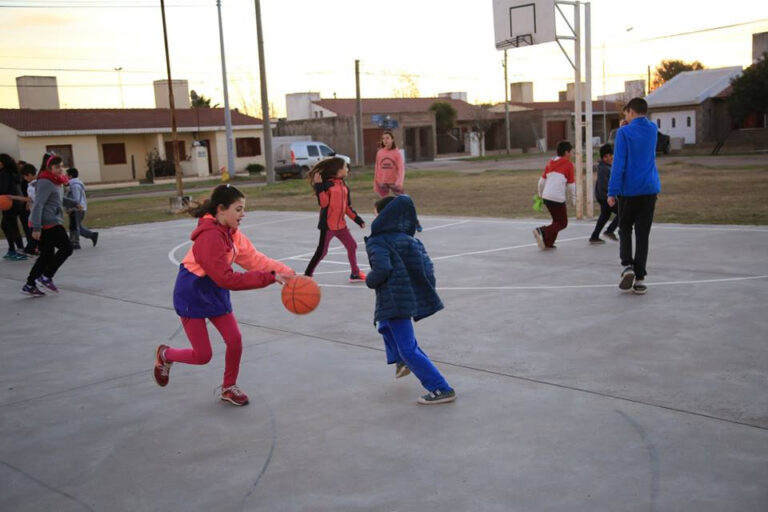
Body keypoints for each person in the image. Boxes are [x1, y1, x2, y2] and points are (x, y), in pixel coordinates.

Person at [153, 184, 295, 406]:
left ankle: (229, 387)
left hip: (215, 291)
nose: (243, 214)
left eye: (243, 209)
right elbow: (227, 279)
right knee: (203, 356)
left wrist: (285, 272)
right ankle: (165, 355)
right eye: (238, 209)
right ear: (221, 209)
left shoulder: (232, 234)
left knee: (234, 340)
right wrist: (269, 278)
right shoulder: (209, 238)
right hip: (192, 293)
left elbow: (254, 259)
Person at [365, 195, 456, 405]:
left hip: (394, 299)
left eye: (376, 213)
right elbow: (428, 268)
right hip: (403, 298)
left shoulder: (378, 240)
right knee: (384, 325)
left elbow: (382, 269)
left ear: (384, 215)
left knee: (408, 348)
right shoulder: (410, 239)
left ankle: (441, 388)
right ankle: (401, 361)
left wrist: (370, 280)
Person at [607, 97, 661, 295]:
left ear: (630, 111)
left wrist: (612, 191)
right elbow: (641, 130)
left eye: (626, 113)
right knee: (642, 234)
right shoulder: (653, 129)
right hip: (649, 189)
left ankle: (627, 265)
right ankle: (639, 279)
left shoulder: (623, 133)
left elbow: (618, 163)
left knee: (625, 228)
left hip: (629, 190)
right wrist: (627, 125)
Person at [21, 155, 79, 297]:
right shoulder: (45, 182)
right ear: (49, 168)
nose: (60, 169)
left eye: (61, 166)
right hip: (48, 222)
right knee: (66, 248)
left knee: (46, 255)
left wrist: (73, 203)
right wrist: (36, 228)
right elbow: (38, 204)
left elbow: (57, 199)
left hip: (49, 221)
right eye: (56, 167)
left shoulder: (55, 181)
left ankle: (30, 284)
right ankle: (46, 276)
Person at [303, 156, 367, 282]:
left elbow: (347, 207)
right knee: (322, 252)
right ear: (337, 170)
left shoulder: (344, 186)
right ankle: (307, 275)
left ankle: (355, 273)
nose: (347, 169)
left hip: (341, 226)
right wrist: (319, 186)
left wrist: (358, 220)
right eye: (345, 167)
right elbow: (324, 204)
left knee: (352, 245)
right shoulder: (327, 185)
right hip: (328, 226)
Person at [532, 141, 575, 250]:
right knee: (563, 223)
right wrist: (573, 199)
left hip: (546, 197)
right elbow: (571, 186)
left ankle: (548, 242)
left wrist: (540, 195)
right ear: (566, 152)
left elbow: (541, 182)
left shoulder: (550, 163)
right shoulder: (568, 164)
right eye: (571, 152)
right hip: (557, 198)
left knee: (556, 221)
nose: (572, 154)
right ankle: (542, 231)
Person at [589, 143, 619, 243]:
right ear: (602, 158)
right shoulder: (603, 168)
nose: (609, 158)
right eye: (606, 156)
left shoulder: (608, 166)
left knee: (605, 215)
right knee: (622, 211)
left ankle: (594, 236)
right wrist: (613, 194)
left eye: (610, 155)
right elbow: (604, 185)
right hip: (605, 196)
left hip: (603, 196)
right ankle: (610, 231)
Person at [0, 153, 27, 261]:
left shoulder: (4, 173)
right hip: (16, 201)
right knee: (6, 225)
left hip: (10, 202)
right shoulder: (13, 172)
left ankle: (20, 250)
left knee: (11, 226)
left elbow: (3, 189)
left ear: (1, 163)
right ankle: (12, 249)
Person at [65, 168, 99, 249]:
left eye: (66, 175)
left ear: (70, 176)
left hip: (77, 209)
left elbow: (76, 199)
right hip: (78, 208)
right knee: (77, 226)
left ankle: (75, 242)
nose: (65, 176)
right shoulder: (74, 184)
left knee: (75, 226)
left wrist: (71, 208)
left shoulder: (75, 186)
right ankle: (92, 235)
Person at [373, 130, 405, 197]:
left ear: (392, 139)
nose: (385, 140)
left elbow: (401, 169)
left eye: (387, 138)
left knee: (402, 199)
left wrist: (399, 182)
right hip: (382, 182)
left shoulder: (397, 153)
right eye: (383, 138)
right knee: (384, 201)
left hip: (394, 182)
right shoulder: (380, 152)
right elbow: (377, 168)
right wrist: (376, 182)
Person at [19, 163, 38, 255]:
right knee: (31, 231)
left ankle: (30, 249)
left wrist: (15, 198)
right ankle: (34, 249)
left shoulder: (33, 186)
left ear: (29, 175)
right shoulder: (34, 184)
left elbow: (34, 199)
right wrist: (28, 202)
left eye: (24, 176)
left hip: (36, 213)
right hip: (33, 213)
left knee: (32, 232)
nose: (24, 178)